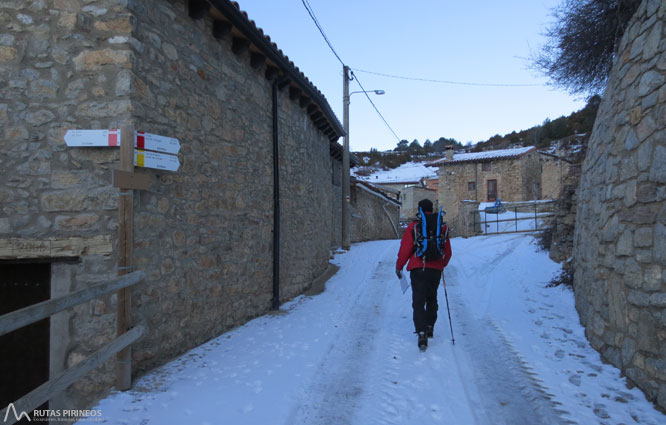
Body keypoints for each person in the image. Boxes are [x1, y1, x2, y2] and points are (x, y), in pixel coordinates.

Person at [396, 199, 452, 351]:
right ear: (432, 209)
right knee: (432, 297)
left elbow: (405, 248)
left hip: (418, 267)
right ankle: (429, 326)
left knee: (419, 300)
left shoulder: (415, 226)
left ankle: (421, 333)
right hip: (435, 269)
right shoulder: (442, 226)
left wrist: (399, 266)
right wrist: (442, 264)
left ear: (420, 209)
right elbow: (448, 252)